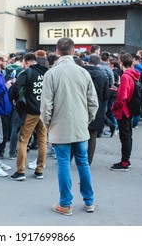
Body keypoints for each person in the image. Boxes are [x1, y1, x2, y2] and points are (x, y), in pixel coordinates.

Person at [40, 37, 98, 216]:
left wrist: (48, 124)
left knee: (63, 164)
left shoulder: (52, 73)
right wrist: (86, 120)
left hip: (60, 126)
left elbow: (46, 105)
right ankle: (89, 202)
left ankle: (65, 204)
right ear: (73, 52)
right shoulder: (84, 72)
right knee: (83, 163)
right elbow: (93, 102)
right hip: (80, 126)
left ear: (57, 52)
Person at [10, 53, 48, 181]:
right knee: (42, 140)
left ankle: (20, 171)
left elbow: (16, 87)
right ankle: (39, 170)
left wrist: (18, 98)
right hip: (44, 112)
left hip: (31, 111)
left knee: (23, 140)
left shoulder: (29, 73)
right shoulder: (48, 74)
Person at [110, 53, 141, 171]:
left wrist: (115, 106)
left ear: (122, 63)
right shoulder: (132, 75)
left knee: (125, 137)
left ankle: (124, 162)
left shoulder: (125, 76)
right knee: (128, 136)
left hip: (124, 110)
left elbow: (122, 97)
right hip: (130, 108)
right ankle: (126, 160)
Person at [83, 55, 109, 165]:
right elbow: (106, 95)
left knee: (77, 135)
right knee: (92, 136)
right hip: (97, 108)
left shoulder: (82, 73)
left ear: (88, 62)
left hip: (81, 106)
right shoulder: (103, 76)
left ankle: (70, 158)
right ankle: (88, 161)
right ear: (98, 64)